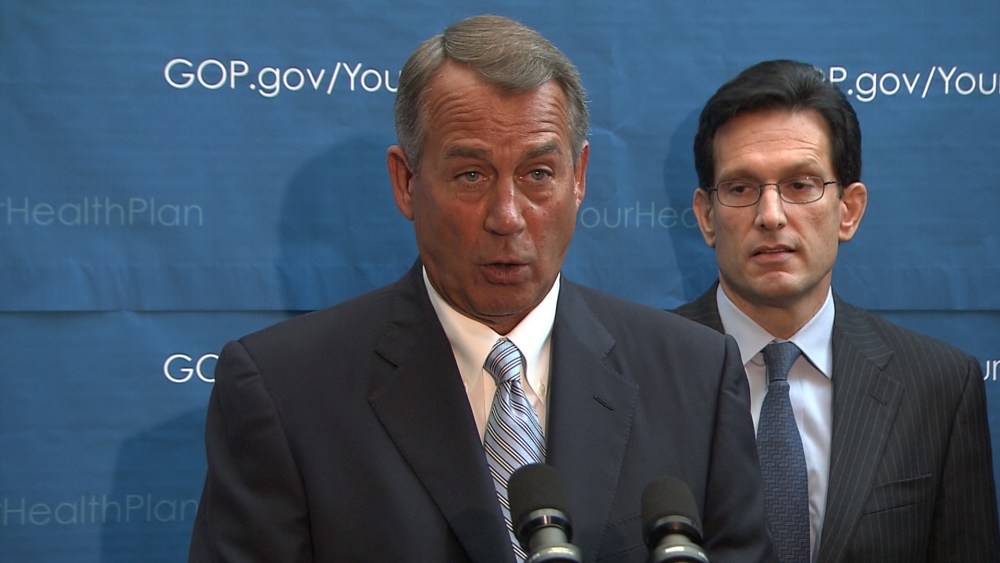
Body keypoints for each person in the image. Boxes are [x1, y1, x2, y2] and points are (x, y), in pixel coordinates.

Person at [188, 14, 772, 563]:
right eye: (471, 175)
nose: (507, 216)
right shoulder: (284, 391)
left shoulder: (695, 376)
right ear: (406, 181)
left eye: (538, 174)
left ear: (579, 178)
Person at [675, 58, 1000, 562]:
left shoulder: (939, 385)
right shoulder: (639, 370)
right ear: (706, 216)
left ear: (849, 210)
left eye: (800, 185)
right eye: (741, 189)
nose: (771, 215)